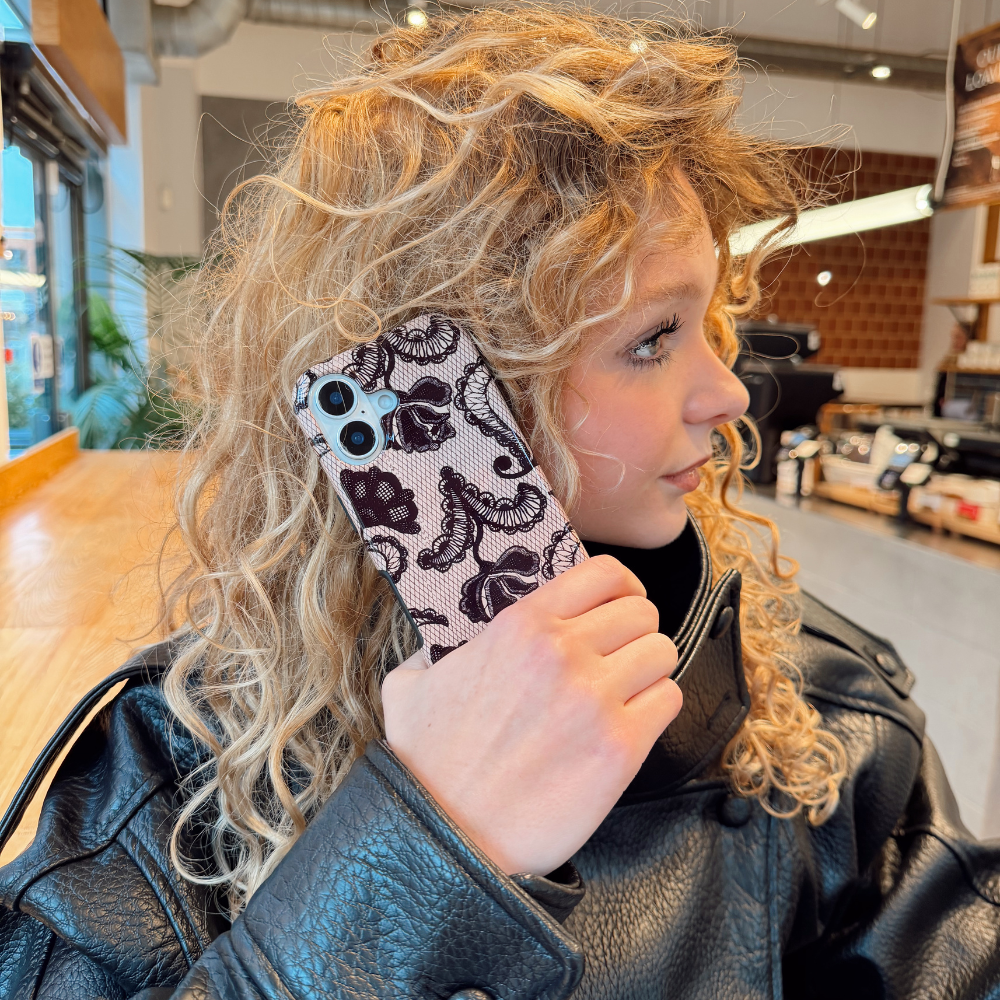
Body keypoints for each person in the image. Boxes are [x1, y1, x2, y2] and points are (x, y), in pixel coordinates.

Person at [3, 5, 1000, 999]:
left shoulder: (825, 720)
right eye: (652, 338)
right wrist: (426, 845)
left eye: (709, 320)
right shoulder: (174, 772)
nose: (728, 392)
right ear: (441, 384)